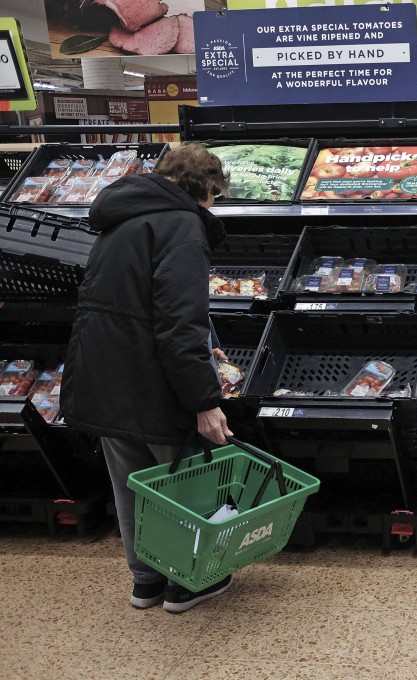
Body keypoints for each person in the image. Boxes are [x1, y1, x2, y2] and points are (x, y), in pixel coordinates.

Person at [63, 143, 234, 613]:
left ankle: (146, 581)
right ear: (206, 188)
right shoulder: (183, 226)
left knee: (131, 485)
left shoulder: (121, 219)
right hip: (156, 384)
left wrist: (204, 347)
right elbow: (179, 323)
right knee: (185, 483)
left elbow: (133, 305)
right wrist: (204, 400)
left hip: (107, 376)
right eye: (217, 194)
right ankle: (188, 582)